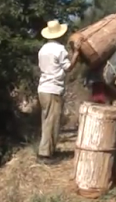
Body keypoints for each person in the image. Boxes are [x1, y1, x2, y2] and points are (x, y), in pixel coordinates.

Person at [36, 20, 79, 164]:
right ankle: (45, 155)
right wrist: (76, 54)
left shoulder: (42, 50)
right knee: (52, 122)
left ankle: (47, 150)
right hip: (53, 89)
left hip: (43, 89)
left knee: (46, 120)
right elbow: (68, 68)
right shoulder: (60, 50)